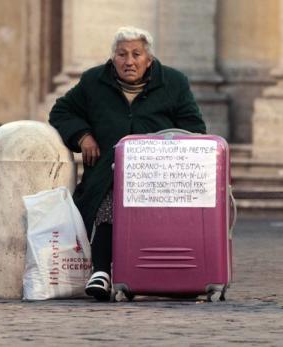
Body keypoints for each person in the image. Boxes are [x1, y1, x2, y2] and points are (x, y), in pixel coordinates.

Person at [49, 26, 206, 301]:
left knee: (131, 195)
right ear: (113, 58)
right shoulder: (93, 81)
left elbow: (195, 130)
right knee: (113, 192)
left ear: (149, 59)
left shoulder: (174, 82)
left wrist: (163, 151)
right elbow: (61, 110)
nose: (129, 61)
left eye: (136, 54)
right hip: (107, 172)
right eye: (122, 54)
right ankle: (101, 272)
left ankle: (168, 275)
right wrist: (83, 136)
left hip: (159, 176)